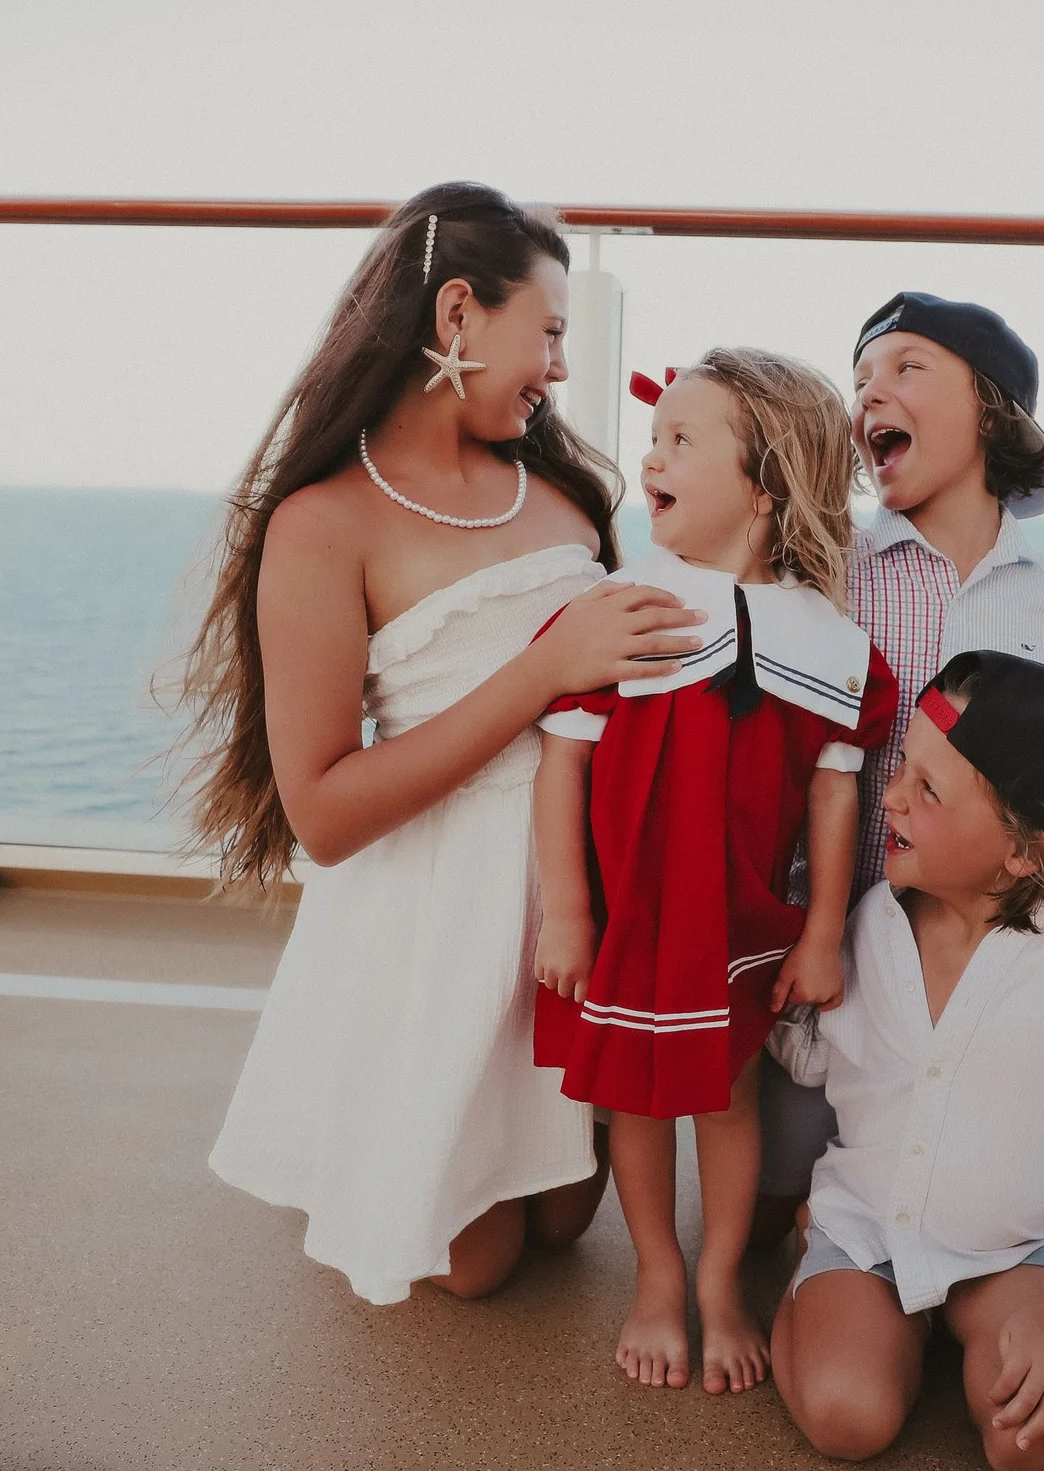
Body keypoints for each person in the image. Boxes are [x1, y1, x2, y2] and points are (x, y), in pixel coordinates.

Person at [185, 182, 703, 1306]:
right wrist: (539, 673)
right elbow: (323, 815)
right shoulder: (321, 524)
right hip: (432, 911)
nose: (560, 367)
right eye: (550, 331)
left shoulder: (567, 490)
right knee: (475, 1267)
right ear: (458, 313)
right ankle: (362, 1113)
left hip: (571, 897)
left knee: (562, 1224)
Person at [531, 349, 899, 1395]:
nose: (652, 455)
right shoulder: (624, 603)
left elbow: (835, 791)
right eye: (655, 438)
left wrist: (823, 927)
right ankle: (655, 1275)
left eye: (682, 440)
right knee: (640, 1104)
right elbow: (564, 754)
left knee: (727, 1096)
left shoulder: (827, 640)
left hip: (741, 921)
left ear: (766, 483)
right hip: (632, 917)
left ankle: (722, 1279)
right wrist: (566, 910)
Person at [756, 291, 1044, 1248]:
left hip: (985, 964)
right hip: (833, 951)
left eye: (906, 367)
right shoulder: (830, 574)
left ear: (992, 409)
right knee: (773, 1191)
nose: (869, 393)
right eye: (860, 382)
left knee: (979, 1208)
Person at [770, 651, 1044, 1470]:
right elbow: (820, 1060)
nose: (891, 796)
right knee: (846, 1415)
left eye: (928, 789)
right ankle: (828, 1284)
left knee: (1030, 1449)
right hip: (868, 1233)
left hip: (1019, 1250)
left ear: (1025, 850)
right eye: (903, 762)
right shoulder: (870, 921)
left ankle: (976, 1328)